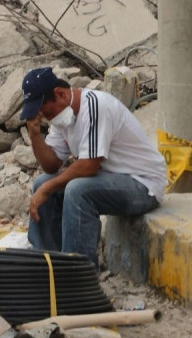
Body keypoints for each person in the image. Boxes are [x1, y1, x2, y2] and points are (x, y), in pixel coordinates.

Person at [20, 67, 166, 268]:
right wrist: (35, 135)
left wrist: (48, 189)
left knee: (77, 190)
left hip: (143, 185)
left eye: (48, 113)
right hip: (110, 181)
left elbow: (89, 167)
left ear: (60, 94)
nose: (47, 118)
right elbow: (51, 166)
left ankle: (77, 273)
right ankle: (47, 266)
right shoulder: (61, 117)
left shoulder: (95, 106)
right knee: (41, 182)